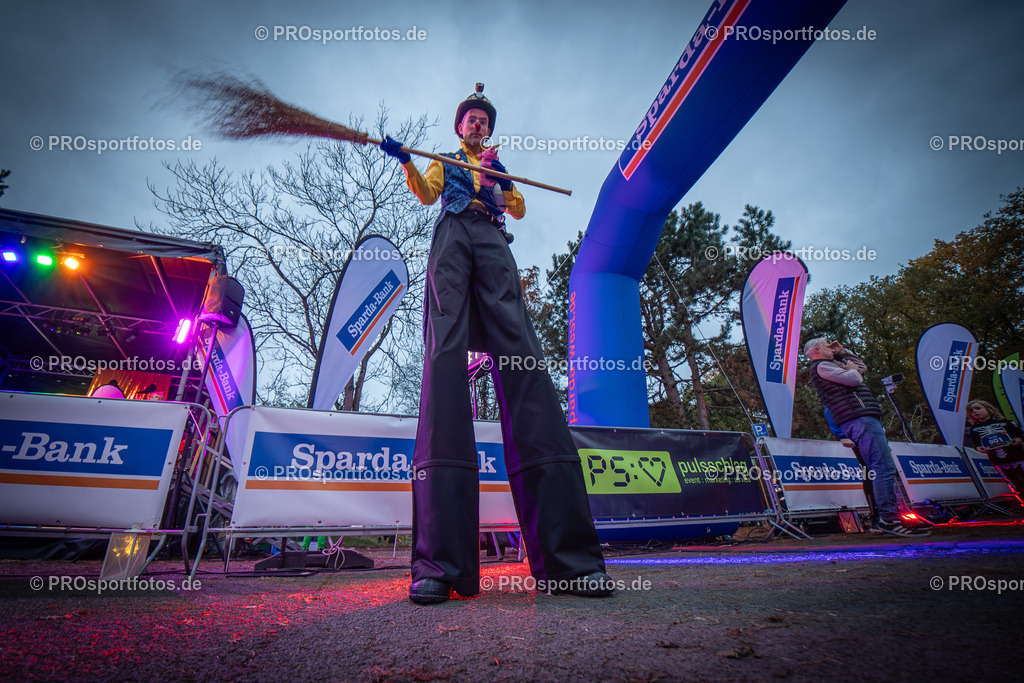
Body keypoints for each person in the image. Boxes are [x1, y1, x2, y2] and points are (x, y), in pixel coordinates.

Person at [380, 84, 612, 604]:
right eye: (471, 118)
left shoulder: (497, 164)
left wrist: (500, 181)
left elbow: (521, 209)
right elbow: (424, 191)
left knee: (522, 359)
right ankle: (440, 564)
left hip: (491, 239)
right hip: (452, 237)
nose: (478, 123)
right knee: (444, 357)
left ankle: (568, 560)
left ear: (489, 128)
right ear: (459, 127)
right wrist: (404, 163)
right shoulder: (444, 161)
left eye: (484, 119)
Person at [803, 337, 929, 537]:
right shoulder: (821, 366)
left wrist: (843, 353)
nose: (831, 347)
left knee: (882, 467)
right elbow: (855, 378)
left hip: (863, 417)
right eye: (828, 346)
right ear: (817, 350)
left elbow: (860, 368)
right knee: (882, 467)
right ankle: (889, 519)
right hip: (858, 418)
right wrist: (850, 369)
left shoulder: (831, 364)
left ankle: (892, 517)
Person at [823, 406, 881, 532]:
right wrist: (842, 434)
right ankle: (877, 517)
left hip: (871, 431)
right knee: (869, 471)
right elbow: (830, 408)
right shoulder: (834, 392)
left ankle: (891, 514)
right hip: (856, 435)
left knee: (881, 471)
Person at [966, 400, 1024, 500]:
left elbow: (1021, 434)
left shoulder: (1006, 423)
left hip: (1018, 457)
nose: (974, 411)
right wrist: (978, 448)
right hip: (999, 462)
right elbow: (976, 444)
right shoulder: (974, 429)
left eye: (978, 408)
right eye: (971, 411)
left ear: (988, 409)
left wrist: (1019, 439)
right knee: (1015, 486)